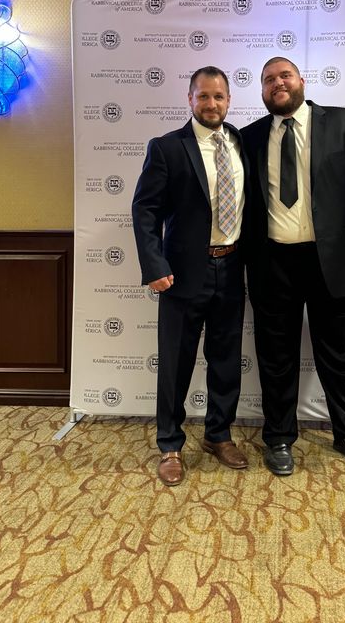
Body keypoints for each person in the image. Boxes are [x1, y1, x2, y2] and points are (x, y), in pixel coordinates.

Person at [241, 57, 345, 476]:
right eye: (269, 79)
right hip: (273, 262)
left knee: (340, 356)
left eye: (285, 76)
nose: (278, 83)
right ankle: (278, 438)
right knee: (276, 357)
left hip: (332, 261)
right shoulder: (249, 136)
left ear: (302, 81)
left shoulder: (344, 123)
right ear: (262, 90)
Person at [132, 66, 249, 486]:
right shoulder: (167, 148)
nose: (211, 104)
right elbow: (145, 210)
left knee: (226, 360)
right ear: (190, 99)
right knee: (176, 363)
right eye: (203, 96)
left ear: (229, 100)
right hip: (182, 275)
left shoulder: (240, 142)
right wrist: (155, 265)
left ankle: (219, 434)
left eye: (218, 96)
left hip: (232, 268)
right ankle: (170, 444)